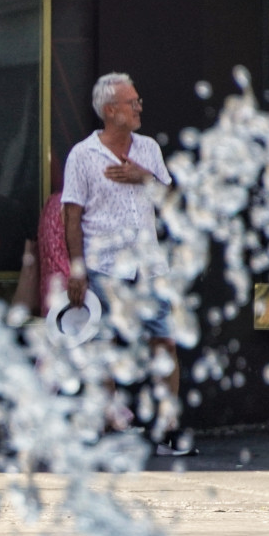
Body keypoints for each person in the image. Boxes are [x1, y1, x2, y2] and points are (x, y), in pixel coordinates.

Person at [61, 72, 197, 457]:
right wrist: (76, 269)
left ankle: (170, 424)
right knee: (104, 349)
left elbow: (170, 200)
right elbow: (71, 216)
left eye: (137, 101)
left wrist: (145, 177)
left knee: (164, 341)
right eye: (131, 102)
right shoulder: (82, 156)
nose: (139, 108)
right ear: (110, 110)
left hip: (150, 268)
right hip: (105, 268)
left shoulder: (149, 148)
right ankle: (109, 425)